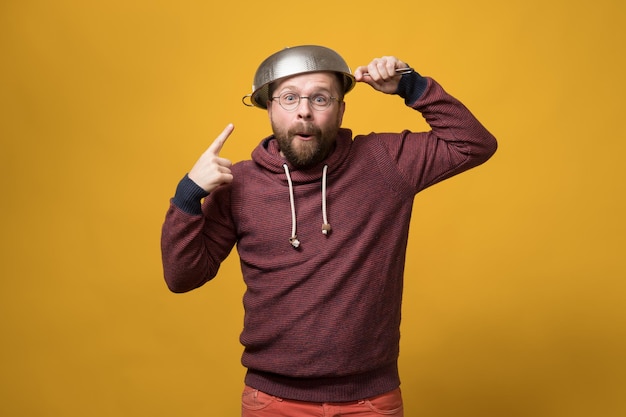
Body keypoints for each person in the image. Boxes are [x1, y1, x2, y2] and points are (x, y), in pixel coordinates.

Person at [160, 45, 497, 416]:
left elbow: (474, 144)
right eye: (289, 98)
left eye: (320, 98)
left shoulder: (386, 162)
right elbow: (183, 277)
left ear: (340, 108)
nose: (304, 110)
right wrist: (188, 196)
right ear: (269, 107)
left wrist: (411, 86)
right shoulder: (238, 184)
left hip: (370, 401)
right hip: (271, 401)